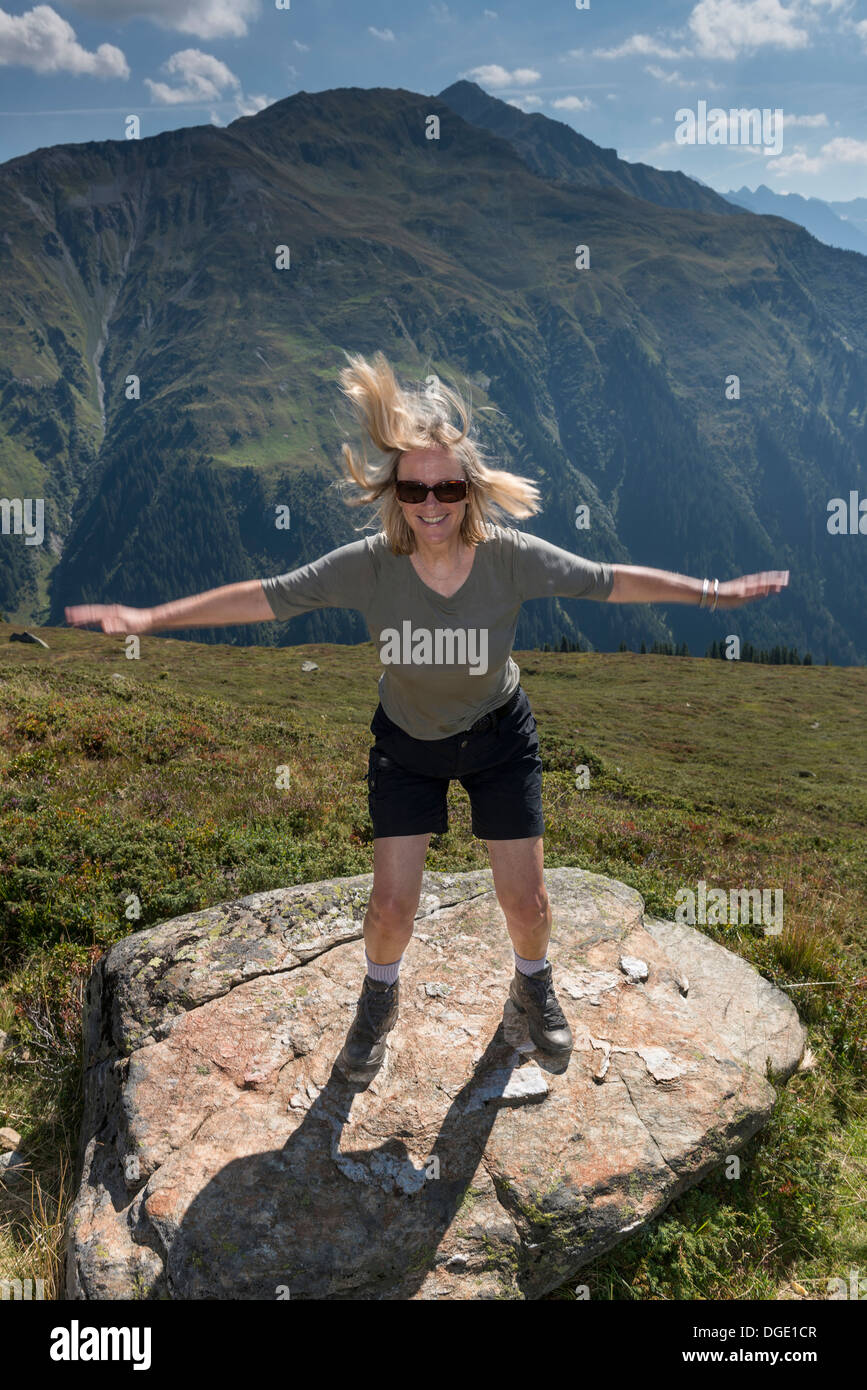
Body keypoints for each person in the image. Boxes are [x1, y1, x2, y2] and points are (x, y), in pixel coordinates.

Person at [66, 350, 789, 1085]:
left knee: (527, 901)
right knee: (389, 907)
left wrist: (708, 592)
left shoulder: (510, 557)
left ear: (469, 489)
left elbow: (604, 582)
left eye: (447, 485)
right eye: (416, 488)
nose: (432, 502)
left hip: (499, 737)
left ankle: (531, 984)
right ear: (396, 492)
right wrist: (151, 617)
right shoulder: (368, 564)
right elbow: (268, 596)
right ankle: (378, 1000)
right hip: (406, 744)